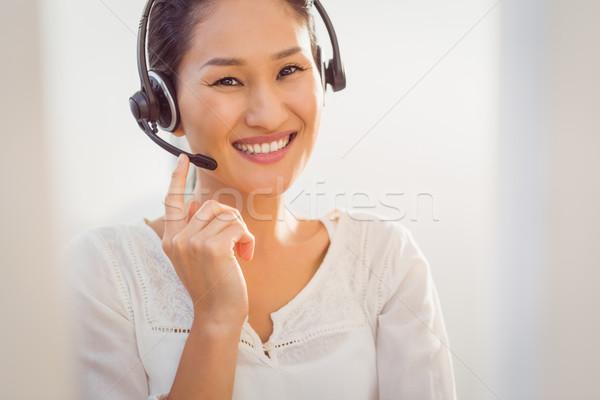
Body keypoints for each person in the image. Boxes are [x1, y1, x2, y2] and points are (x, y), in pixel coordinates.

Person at [65, 0, 456, 398]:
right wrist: (215, 321)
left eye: (289, 70)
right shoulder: (103, 272)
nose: (267, 115)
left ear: (324, 76)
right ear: (165, 105)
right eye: (227, 81)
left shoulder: (386, 260)